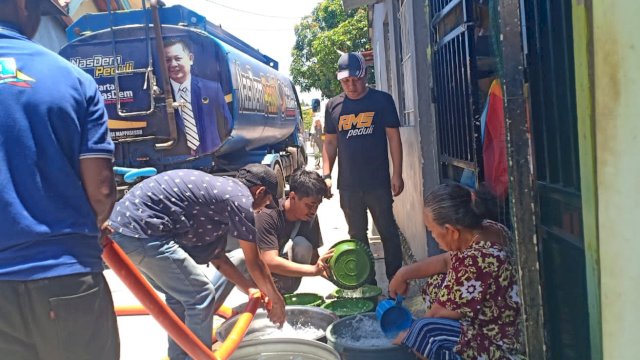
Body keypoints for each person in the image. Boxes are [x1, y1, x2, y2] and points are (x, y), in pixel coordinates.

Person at [0, 1, 119, 359]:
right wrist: (92, 224)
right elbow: (101, 190)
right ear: (23, 8)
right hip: (66, 278)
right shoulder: (72, 78)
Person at [108, 164, 286, 360]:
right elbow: (256, 263)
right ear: (259, 192)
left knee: (179, 298)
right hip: (143, 231)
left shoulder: (218, 196)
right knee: (201, 296)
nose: (263, 210)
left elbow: (218, 258)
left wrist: (249, 288)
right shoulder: (240, 199)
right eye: (267, 203)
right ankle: (199, 357)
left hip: (124, 230)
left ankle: (180, 357)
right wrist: (278, 301)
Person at [388, 184, 523, 359]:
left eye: (432, 231)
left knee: (424, 332)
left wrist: (404, 337)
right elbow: (446, 261)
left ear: (451, 231)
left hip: (501, 344)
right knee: (437, 284)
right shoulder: (487, 229)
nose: (433, 237)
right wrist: (403, 273)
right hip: (500, 321)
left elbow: (434, 315)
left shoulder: (475, 261)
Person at [322, 51, 405, 282]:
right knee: (357, 237)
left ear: (365, 74)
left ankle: (396, 281)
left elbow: (393, 138)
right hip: (348, 186)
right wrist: (326, 175)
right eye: (346, 81)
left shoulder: (382, 100)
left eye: (356, 79)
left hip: (378, 183)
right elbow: (330, 142)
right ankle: (368, 286)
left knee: (388, 232)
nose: (352, 85)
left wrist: (396, 173)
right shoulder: (333, 106)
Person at [255, 170, 333, 294]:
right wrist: (312, 270)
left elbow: (314, 258)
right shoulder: (268, 215)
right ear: (292, 197)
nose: (313, 211)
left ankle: (285, 291)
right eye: (309, 205)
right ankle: (261, 294)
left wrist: (339, 279)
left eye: (317, 205)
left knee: (303, 245)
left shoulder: (310, 218)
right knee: (239, 258)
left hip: (285, 278)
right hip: (259, 276)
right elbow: (269, 261)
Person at [164, 38, 233, 156]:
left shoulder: (212, 89)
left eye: (178, 58)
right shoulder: (158, 97)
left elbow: (226, 125)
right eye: (168, 60)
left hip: (212, 159)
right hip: (177, 164)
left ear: (190, 59)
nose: (173, 64)